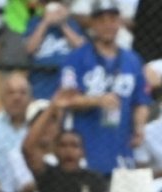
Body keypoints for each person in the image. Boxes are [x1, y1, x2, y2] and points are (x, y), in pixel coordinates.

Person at [58, 0, 151, 177]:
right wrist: (97, 100)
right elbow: (65, 99)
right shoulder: (76, 58)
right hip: (86, 149)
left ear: (120, 22)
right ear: (92, 24)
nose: (107, 25)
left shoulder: (133, 60)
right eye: (101, 20)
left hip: (121, 149)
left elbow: (141, 101)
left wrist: (139, 127)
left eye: (112, 19)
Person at [26, 127, 109, 192]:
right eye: (63, 145)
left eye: (74, 146)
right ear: (55, 150)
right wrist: (51, 111)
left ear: (82, 152)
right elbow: (28, 148)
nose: (68, 150)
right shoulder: (47, 175)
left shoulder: (94, 178)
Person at [24, 0, 86, 99]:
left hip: (66, 81)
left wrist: (62, 24)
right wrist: (45, 22)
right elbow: (30, 49)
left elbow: (81, 47)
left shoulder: (71, 23)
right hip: (41, 79)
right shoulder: (34, 22)